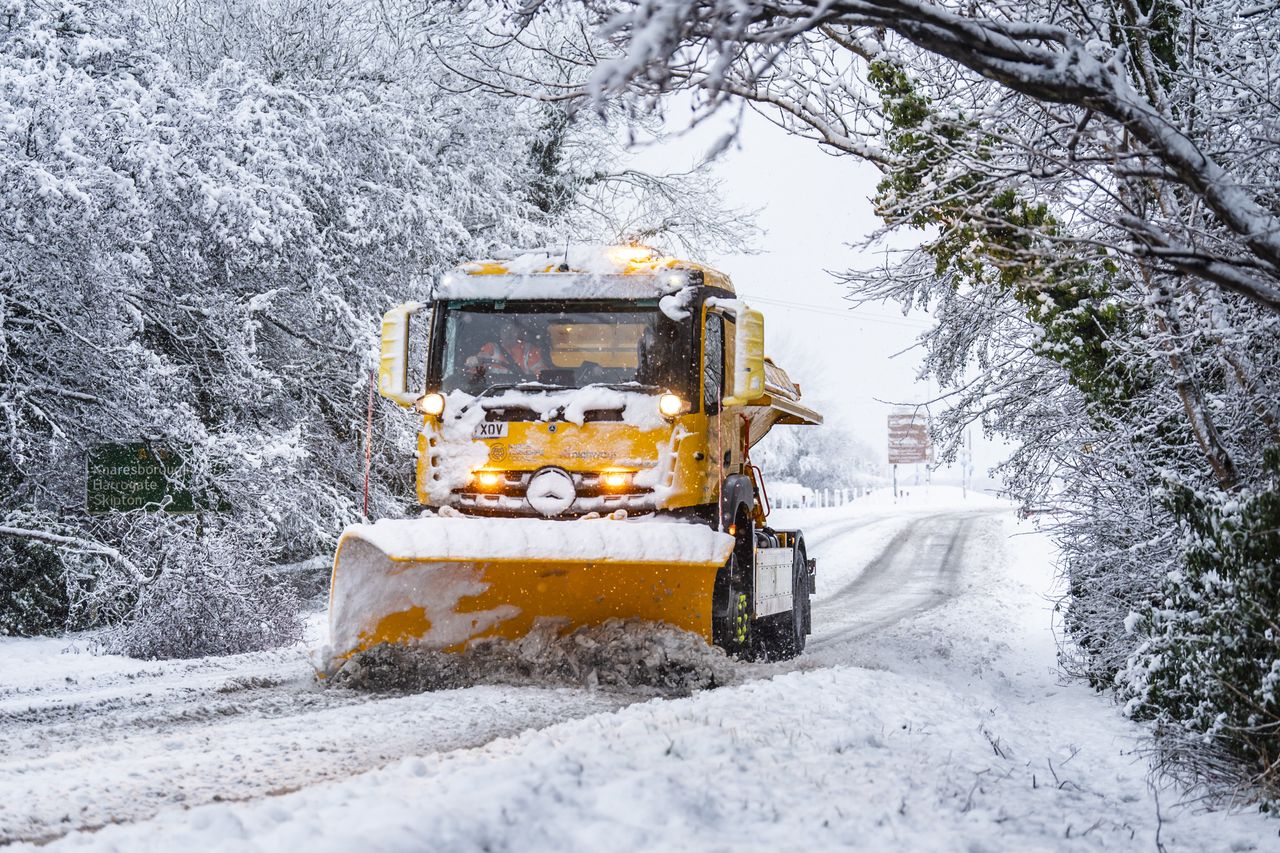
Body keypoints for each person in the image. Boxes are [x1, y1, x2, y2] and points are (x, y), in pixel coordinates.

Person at [467, 324, 546, 382]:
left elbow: (541, 376)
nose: (508, 334)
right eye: (505, 330)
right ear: (500, 333)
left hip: (522, 393)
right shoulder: (491, 348)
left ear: (518, 333)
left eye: (512, 331)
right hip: (492, 392)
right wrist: (474, 362)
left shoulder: (529, 351)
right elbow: (478, 367)